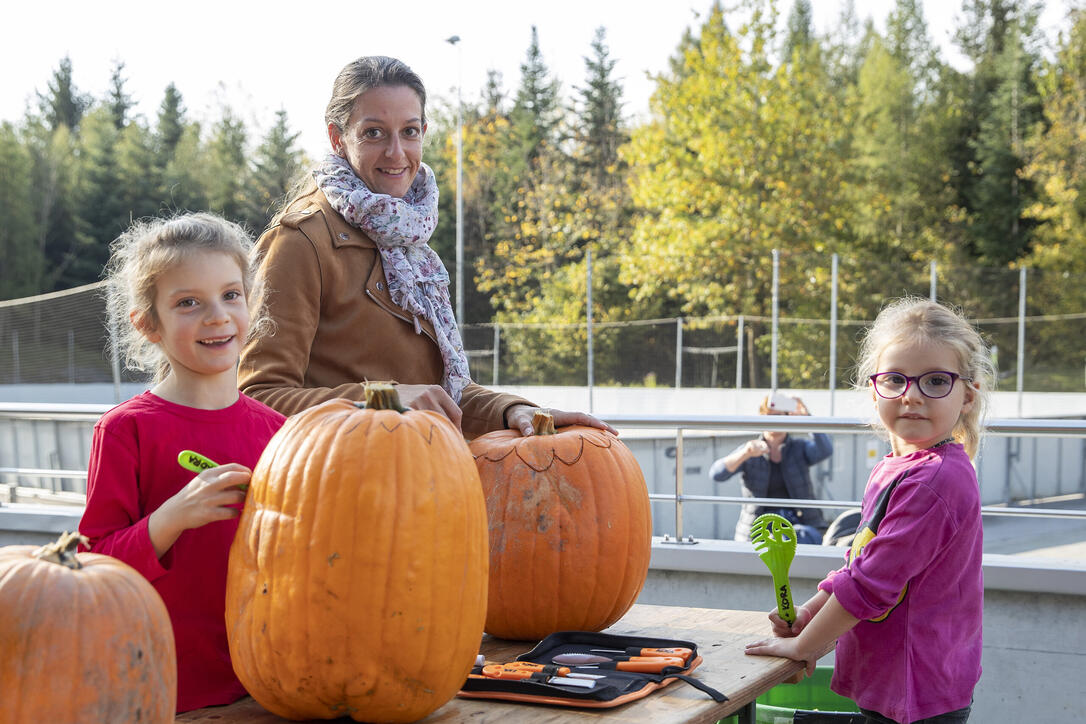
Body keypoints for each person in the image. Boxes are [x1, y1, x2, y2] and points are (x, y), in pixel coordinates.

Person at [237, 55, 611, 438]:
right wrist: (384, 401)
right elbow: (258, 397)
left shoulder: (409, 240)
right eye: (374, 133)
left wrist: (512, 411)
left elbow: (440, 393)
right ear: (338, 138)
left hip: (424, 481)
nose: (396, 153)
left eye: (410, 131)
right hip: (343, 486)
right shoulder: (301, 242)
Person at [745, 297, 994, 724]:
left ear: (967, 396)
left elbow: (871, 586)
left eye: (935, 381)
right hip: (891, 676)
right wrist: (809, 613)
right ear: (874, 387)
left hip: (917, 685)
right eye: (895, 380)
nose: (911, 396)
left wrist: (804, 648)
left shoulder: (934, 481)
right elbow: (858, 566)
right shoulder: (894, 468)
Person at [79, 213, 287, 713]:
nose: (216, 316)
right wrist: (171, 518)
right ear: (148, 324)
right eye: (188, 303)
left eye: (230, 295)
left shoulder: (279, 433)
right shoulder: (126, 429)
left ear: (250, 303)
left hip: (266, 688)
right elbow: (92, 570)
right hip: (161, 693)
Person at [709, 394, 832, 543]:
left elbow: (825, 449)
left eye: (779, 416)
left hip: (798, 525)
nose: (774, 420)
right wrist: (745, 453)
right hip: (758, 528)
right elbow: (717, 474)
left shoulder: (799, 448)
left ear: (789, 417)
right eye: (769, 416)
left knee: (802, 539)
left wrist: (807, 417)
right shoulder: (750, 450)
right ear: (761, 418)